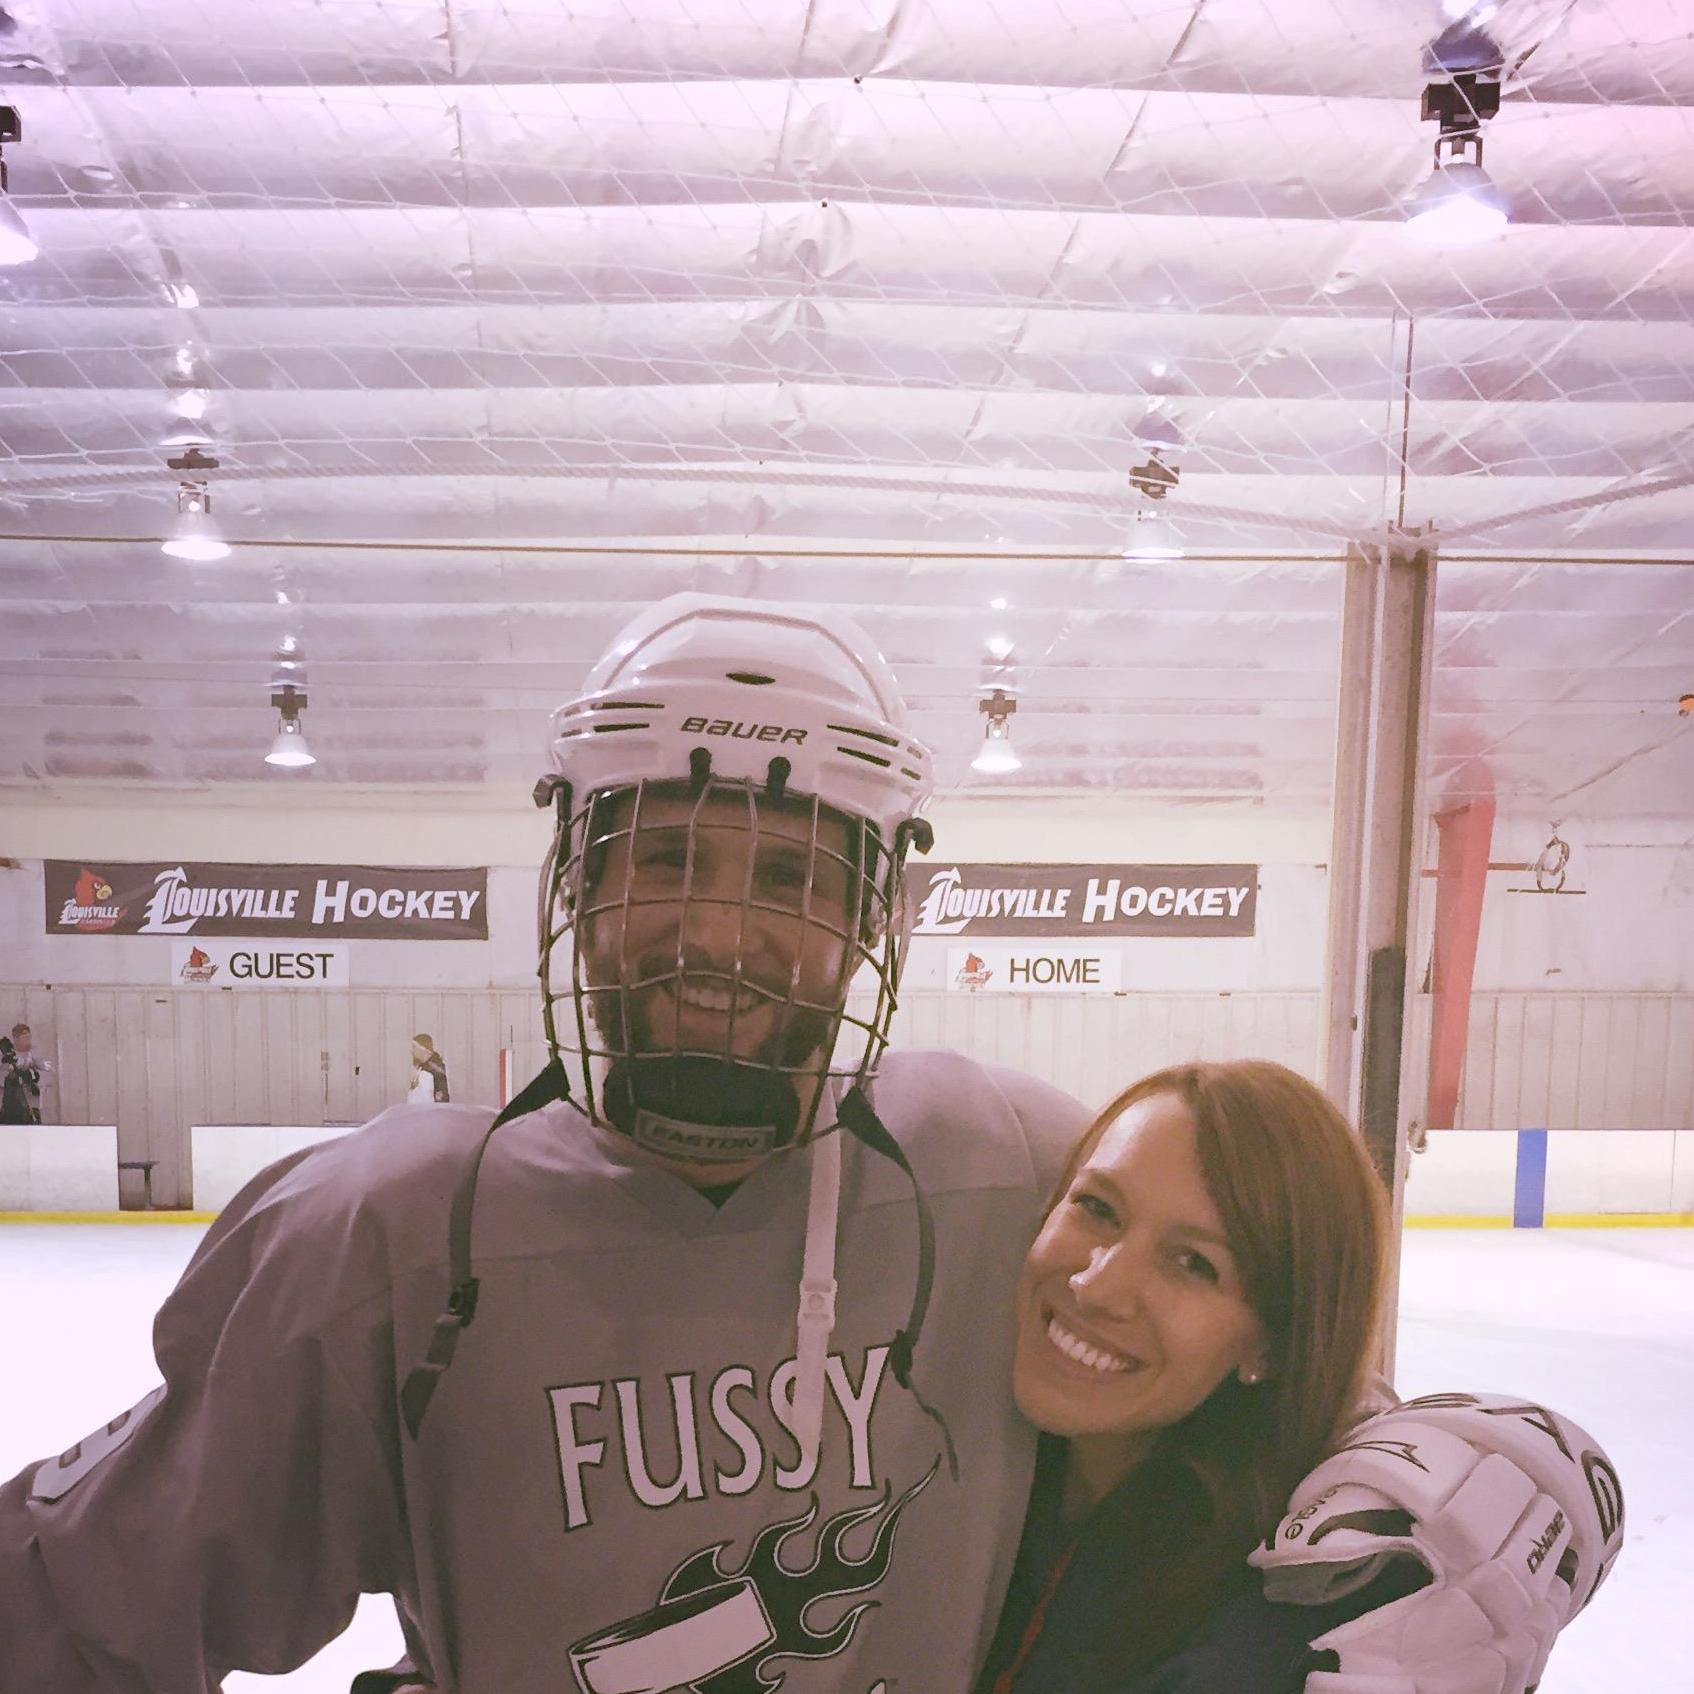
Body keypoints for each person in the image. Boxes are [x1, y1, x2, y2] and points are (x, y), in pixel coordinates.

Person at [0, 596, 1618, 1694]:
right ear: (574, 878)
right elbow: (78, 1600)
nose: (718, 927)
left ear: (864, 922)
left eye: (788, 879)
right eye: (668, 855)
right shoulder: (390, 1231)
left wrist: (1490, 1458)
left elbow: (1265, 1330)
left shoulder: (998, 1164)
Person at [977, 1060, 1625, 1692]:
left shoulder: (1271, 1630)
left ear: (1276, 1343)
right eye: (1096, 1207)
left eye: (1193, 1264)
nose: (1096, 1286)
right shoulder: (969, 1449)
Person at [0, 1022, 48, 1125]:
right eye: (24, 1037)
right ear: (16, 1039)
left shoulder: (35, 1053)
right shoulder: (7, 1055)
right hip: (11, 1107)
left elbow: (45, 1070)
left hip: (31, 1106)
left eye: (28, 1037)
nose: (27, 1040)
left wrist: (28, 1069)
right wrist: (10, 1068)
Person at [408, 1034, 450, 1104]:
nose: (412, 1051)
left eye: (414, 1047)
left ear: (423, 1048)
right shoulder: (421, 1068)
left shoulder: (435, 1070)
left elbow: (441, 1100)